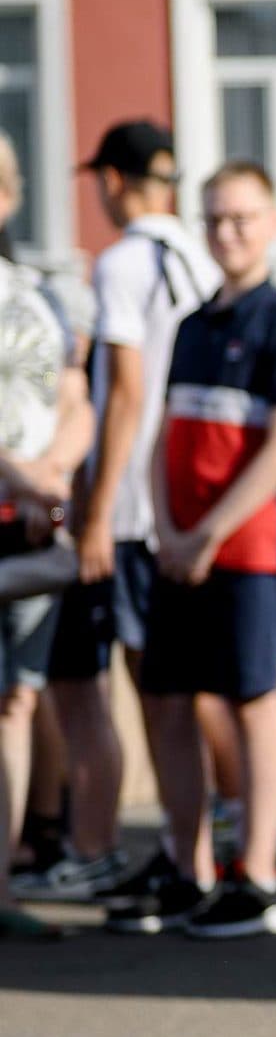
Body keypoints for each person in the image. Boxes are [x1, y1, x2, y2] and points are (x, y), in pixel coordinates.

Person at [106, 160, 276, 938]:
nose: (227, 233)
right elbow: (164, 433)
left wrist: (208, 533)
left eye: (241, 218)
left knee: (251, 702)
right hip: (178, 550)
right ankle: (187, 865)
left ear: (271, 223)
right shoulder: (193, 325)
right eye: (215, 220)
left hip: (244, 551)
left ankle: (257, 876)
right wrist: (166, 527)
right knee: (168, 701)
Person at [20, 122, 221, 906]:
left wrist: (96, 513)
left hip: (135, 505)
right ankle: (202, 848)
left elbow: (127, 390)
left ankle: (143, 854)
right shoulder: (199, 256)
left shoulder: (124, 261)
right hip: (182, 494)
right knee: (182, 688)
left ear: (110, 181)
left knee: (136, 687)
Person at [0, 130, 93, 937]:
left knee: (19, 705)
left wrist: (56, 469)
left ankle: (3, 889)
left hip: (27, 533)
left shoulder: (37, 296)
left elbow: (75, 397)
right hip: (15, 499)